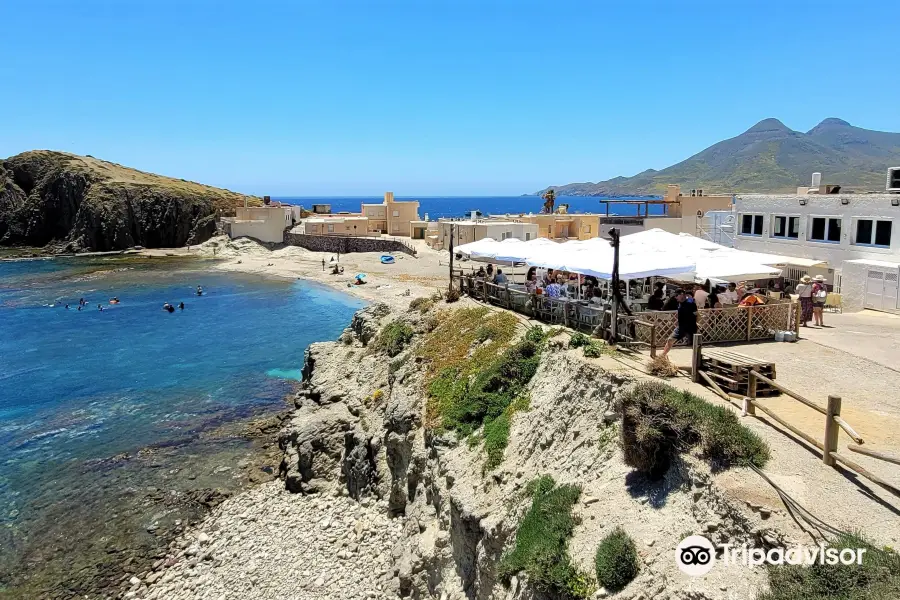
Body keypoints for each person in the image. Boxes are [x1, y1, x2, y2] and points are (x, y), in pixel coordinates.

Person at [662, 290, 697, 357]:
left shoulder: (691, 303)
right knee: (670, 340)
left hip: (691, 326)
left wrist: (697, 323)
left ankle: (698, 360)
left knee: (694, 345)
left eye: (676, 296)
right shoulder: (680, 303)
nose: (675, 297)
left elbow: (696, 314)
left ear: (682, 294)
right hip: (681, 326)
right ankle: (662, 356)